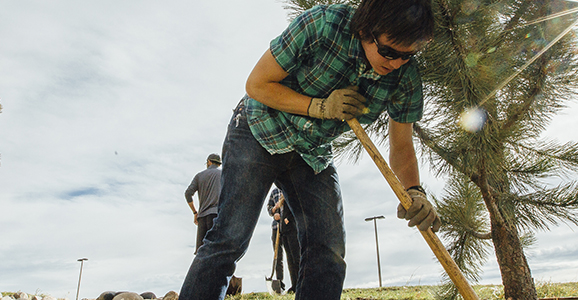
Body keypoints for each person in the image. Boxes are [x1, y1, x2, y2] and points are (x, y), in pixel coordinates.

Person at [179, 0, 441, 298]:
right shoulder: (322, 25)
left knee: (328, 249)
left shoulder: (405, 77)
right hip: (259, 129)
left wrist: (415, 191)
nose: (396, 64)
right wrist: (320, 107)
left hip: (311, 151)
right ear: (367, 29)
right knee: (229, 238)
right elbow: (257, 84)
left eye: (408, 56)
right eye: (388, 52)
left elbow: (402, 143)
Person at [185, 153, 223, 254]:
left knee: (201, 252)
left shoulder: (199, 176)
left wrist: (194, 212)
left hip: (202, 218)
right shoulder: (223, 175)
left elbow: (188, 194)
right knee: (216, 251)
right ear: (218, 164)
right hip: (217, 216)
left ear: (209, 162)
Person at [265, 187, 300, 294]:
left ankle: (297, 283)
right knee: (278, 256)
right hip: (277, 227)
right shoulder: (275, 192)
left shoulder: (289, 188)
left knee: (293, 256)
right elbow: (269, 208)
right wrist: (274, 211)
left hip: (289, 226)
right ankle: (280, 283)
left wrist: (286, 218)